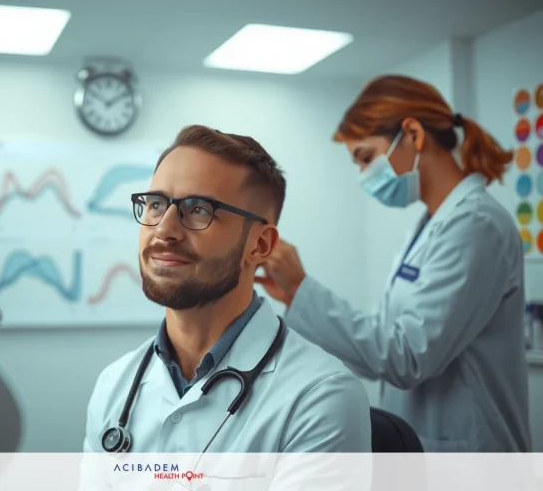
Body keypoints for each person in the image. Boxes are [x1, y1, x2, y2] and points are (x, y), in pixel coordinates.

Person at [256, 74, 531, 452]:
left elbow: (406, 358)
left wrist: (303, 288)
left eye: (366, 157)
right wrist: (295, 296)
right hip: (427, 450)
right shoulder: (431, 226)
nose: (363, 176)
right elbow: (380, 354)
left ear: (413, 134)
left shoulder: (477, 225)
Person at [82, 125, 371, 461]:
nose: (164, 229)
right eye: (156, 204)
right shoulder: (114, 384)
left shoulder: (320, 396)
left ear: (260, 244)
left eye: (199, 209)